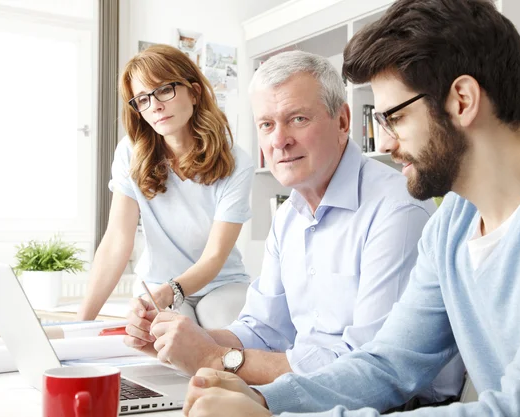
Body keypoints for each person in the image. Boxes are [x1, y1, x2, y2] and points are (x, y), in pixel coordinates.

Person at [180, 0, 520, 416]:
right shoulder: (451, 226)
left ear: (461, 100)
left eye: (395, 119)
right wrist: (264, 400)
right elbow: (387, 365)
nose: (383, 144)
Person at [124, 50, 464, 404]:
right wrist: (177, 341)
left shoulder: (397, 210)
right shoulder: (289, 216)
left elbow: (368, 372)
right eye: (266, 124)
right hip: (313, 396)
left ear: (343, 121)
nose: (278, 140)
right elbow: (263, 329)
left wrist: (213, 358)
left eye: (298, 119)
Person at [76, 44, 254, 330]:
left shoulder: (236, 162)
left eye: (163, 90)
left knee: (220, 331)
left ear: (194, 92)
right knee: (170, 338)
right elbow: (117, 242)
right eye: (142, 99)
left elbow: (215, 256)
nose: (155, 105)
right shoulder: (130, 153)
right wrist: (81, 325)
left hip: (221, 283)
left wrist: (172, 290)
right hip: (157, 284)